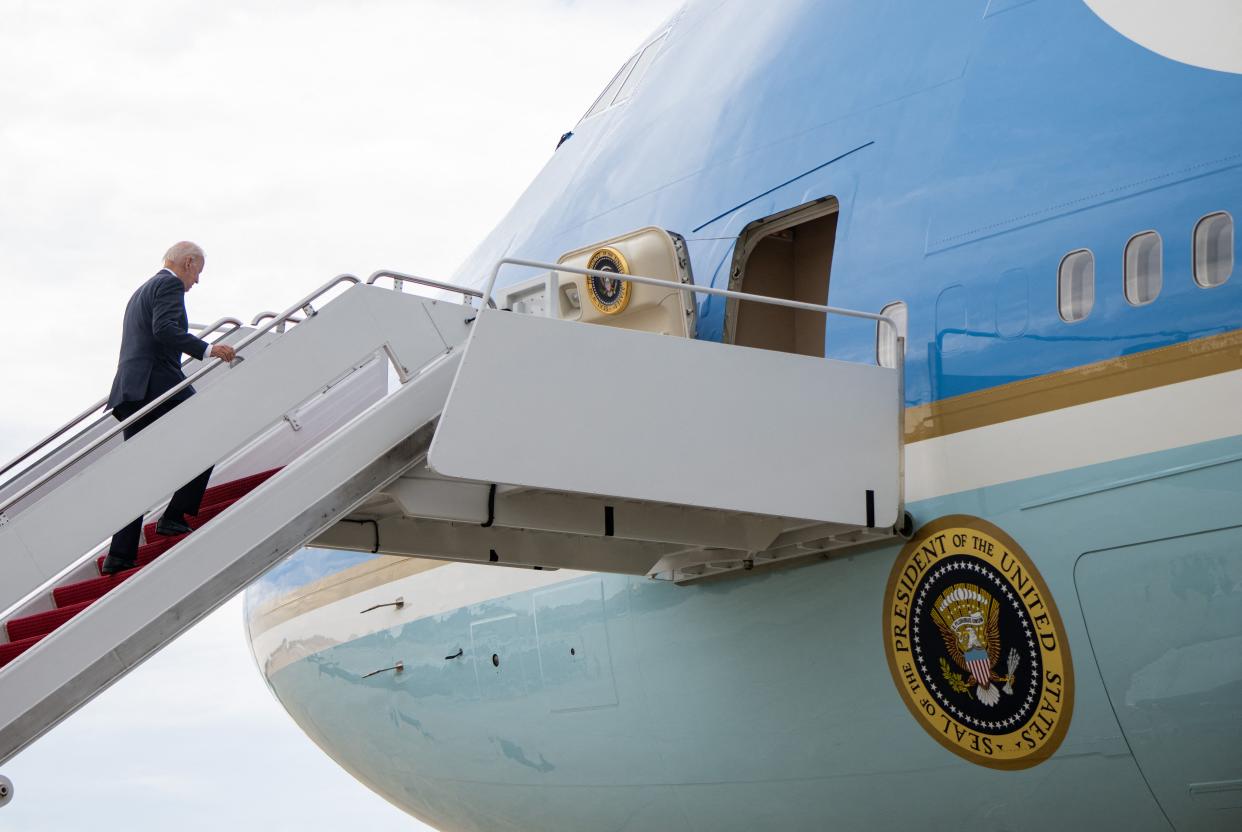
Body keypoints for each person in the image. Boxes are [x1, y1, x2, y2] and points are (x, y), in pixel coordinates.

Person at [101, 242, 236, 575]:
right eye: (198, 273)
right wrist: (209, 349)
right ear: (188, 262)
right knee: (210, 435)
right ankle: (174, 517)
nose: (196, 282)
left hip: (130, 389)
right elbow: (165, 331)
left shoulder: (140, 291)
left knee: (138, 473)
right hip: (156, 384)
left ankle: (120, 555)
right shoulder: (169, 284)